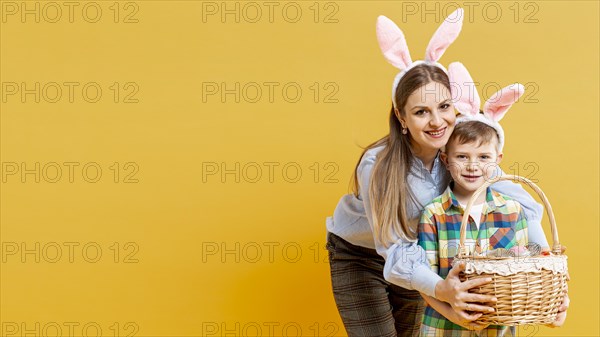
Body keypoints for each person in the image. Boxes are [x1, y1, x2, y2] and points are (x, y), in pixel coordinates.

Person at [325, 13, 568, 337]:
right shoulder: (378, 165)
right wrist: (445, 298)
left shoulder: (461, 154)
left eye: (444, 106)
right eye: (421, 112)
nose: (437, 121)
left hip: (419, 259)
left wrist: (547, 274)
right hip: (361, 256)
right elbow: (396, 252)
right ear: (401, 116)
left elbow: (518, 200)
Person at [417, 67, 530, 335]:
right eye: (462, 156)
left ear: (498, 160)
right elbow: (424, 283)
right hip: (442, 328)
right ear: (445, 159)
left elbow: (525, 271)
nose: (472, 166)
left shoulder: (513, 212)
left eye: (483, 157)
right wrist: (456, 317)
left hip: (496, 328)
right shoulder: (434, 214)